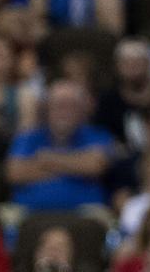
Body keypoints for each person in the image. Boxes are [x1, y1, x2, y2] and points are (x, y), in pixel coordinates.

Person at [7, 80, 115, 212]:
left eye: (71, 106)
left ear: (82, 110)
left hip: (86, 215)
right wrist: (76, 166)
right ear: (47, 108)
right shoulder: (28, 137)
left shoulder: (98, 135)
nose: (63, 112)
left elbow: (96, 166)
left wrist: (47, 159)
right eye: (58, 105)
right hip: (29, 213)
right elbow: (15, 173)